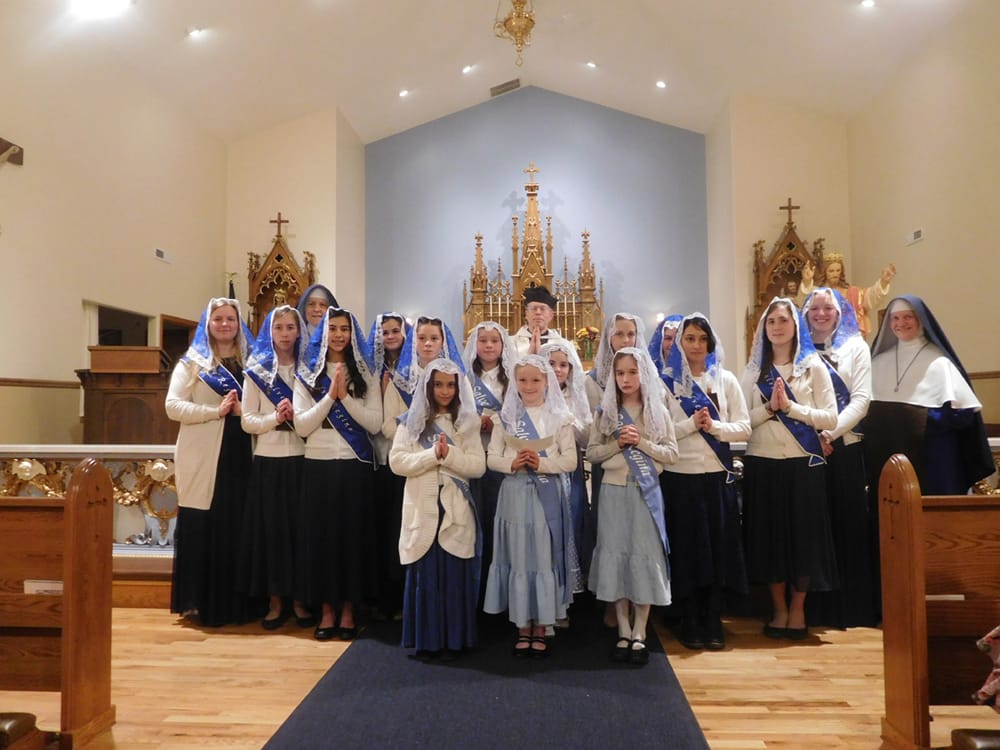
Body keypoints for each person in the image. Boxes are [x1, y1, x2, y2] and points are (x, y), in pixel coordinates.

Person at [740, 297, 838, 642]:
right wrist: (769, 407)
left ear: (796, 325)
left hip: (803, 465)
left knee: (802, 541)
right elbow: (740, 422)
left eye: (783, 320)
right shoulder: (753, 373)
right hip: (763, 463)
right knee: (770, 541)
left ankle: (798, 609)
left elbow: (831, 417)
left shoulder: (813, 366)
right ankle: (778, 609)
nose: (777, 327)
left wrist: (793, 409)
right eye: (771, 322)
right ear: (763, 330)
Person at [660, 314, 750, 650]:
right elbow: (660, 432)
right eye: (689, 339)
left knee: (715, 551)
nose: (696, 345)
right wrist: (690, 426)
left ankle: (713, 618)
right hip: (679, 478)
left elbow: (743, 428)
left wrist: (713, 428)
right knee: (686, 551)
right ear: (679, 344)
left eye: (702, 339)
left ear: (710, 344)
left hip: (715, 478)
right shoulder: (665, 384)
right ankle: (688, 618)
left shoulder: (725, 380)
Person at [165, 297, 255, 627]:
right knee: (209, 526)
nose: (225, 324)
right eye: (218, 319)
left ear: (238, 323)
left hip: (243, 450)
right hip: (206, 453)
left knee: (238, 526)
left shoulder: (251, 361)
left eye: (230, 319)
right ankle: (209, 604)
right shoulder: (192, 363)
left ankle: (241, 604)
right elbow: (172, 406)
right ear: (208, 323)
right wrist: (212, 412)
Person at [293, 306, 381, 641]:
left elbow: (373, 423)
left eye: (345, 328)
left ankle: (347, 610)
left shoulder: (365, 373)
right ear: (323, 333)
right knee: (322, 541)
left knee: (351, 541)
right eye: (333, 328)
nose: (339, 334)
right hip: (317, 466)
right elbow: (302, 426)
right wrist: (331, 397)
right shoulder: (308, 375)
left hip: (354, 466)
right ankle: (326, 610)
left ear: (352, 333)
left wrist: (347, 399)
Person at [483, 354, 580, 658]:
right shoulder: (505, 418)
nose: (528, 385)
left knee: (543, 556)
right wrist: (512, 463)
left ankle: (543, 625)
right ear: (514, 382)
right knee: (520, 557)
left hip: (546, 496)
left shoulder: (560, 417)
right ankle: (523, 625)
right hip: (513, 495)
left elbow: (570, 461)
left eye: (535, 380)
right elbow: (491, 458)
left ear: (547, 381)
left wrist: (542, 463)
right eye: (522, 380)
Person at [389, 359, 485, 660]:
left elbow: (477, 467)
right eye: (438, 384)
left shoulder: (467, 424)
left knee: (454, 575)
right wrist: (433, 456)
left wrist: (450, 456)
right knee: (426, 576)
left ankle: (455, 640)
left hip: (456, 509)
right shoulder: (412, 422)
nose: (445, 391)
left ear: (458, 388)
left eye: (450, 384)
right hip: (424, 506)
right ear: (428, 387)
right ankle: (428, 640)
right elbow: (398, 462)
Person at [588, 347, 677, 665]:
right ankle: (623, 630)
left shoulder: (658, 413)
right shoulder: (605, 413)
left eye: (632, 372)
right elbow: (593, 454)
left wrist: (641, 443)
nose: (626, 379)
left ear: (644, 375)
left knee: (642, 556)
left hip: (645, 493)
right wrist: (618, 444)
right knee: (618, 558)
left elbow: (671, 454)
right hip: (613, 493)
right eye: (620, 373)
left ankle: (640, 631)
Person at [800, 288, 877, 629]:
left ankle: (851, 608)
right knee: (814, 529)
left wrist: (828, 435)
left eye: (827, 307)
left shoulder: (855, 346)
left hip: (843, 446)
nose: (820, 313)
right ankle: (814, 608)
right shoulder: (797, 349)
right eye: (814, 308)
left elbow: (860, 402)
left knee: (846, 525)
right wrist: (812, 438)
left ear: (840, 311)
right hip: (806, 450)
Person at [865, 296, 993, 497]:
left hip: (934, 456)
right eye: (895, 318)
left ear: (921, 320)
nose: (901, 323)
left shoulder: (940, 362)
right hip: (888, 452)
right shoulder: (878, 362)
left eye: (908, 317)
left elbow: (964, 415)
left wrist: (915, 418)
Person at [239, 305, 316, 630]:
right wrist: (276, 418)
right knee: (271, 535)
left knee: (300, 533)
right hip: (269, 463)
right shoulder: (256, 372)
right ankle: (274, 601)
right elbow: (247, 422)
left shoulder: (310, 370)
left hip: (302, 460)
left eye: (290, 327)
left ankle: (299, 600)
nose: (285, 333)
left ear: (299, 332)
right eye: (279, 328)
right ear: (269, 332)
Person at [584, 312, 647, 626]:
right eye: (619, 334)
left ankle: (640, 597)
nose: (625, 340)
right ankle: (612, 599)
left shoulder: (646, 376)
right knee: (610, 534)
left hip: (643, 470)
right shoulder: (594, 379)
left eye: (630, 334)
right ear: (608, 338)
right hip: (608, 466)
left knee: (639, 537)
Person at [462, 321, 516, 598]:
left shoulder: (512, 377)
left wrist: (493, 421)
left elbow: (517, 413)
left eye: (494, 341)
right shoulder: (465, 378)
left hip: (500, 457)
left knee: (498, 521)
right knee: (474, 521)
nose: (489, 345)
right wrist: (475, 421)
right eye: (483, 340)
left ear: (503, 345)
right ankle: (476, 587)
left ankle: (501, 591)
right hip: (472, 455)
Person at [368, 312, 410, 620]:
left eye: (396, 330)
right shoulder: (372, 368)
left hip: (407, 455)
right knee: (384, 527)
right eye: (385, 332)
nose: (391, 336)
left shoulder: (413, 369)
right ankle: (386, 597)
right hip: (380, 456)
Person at [540, 340, 593, 580]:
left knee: (569, 520)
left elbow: (587, 438)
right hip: (542, 466)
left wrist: (571, 421)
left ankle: (569, 582)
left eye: (563, 365)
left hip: (570, 468)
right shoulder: (533, 392)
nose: (557, 369)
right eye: (551, 364)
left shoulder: (575, 395)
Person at [821, 253, 895, 341]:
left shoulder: (853, 292)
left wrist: (883, 282)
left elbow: (870, 297)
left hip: (852, 341)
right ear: (825, 272)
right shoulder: (819, 294)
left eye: (838, 270)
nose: (835, 274)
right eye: (831, 271)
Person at [512, 285, 571, 357]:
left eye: (543, 309)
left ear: (551, 315)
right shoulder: (510, 343)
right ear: (526, 314)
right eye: (534, 308)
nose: (538, 312)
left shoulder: (564, 345)